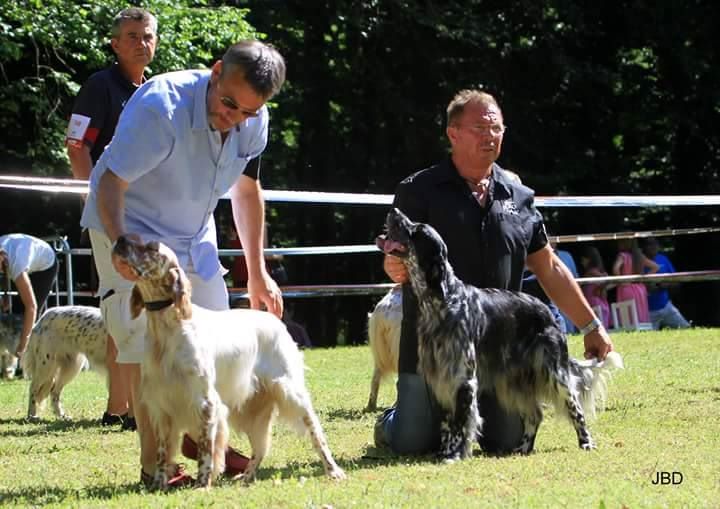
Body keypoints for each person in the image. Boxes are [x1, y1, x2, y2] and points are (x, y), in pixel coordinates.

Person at [79, 40, 286, 488]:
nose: (235, 118)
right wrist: (120, 244)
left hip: (194, 230)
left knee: (209, 338)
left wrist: (257, 270)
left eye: (248, 112)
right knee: (143, 342)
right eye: (229, 103)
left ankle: (204, 441)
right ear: (215, 72)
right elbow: (111, 181)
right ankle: (158, 466)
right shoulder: (161, 106)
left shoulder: (255, 119)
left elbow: (246, 192)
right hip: (129, 224)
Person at [375, 89, 613, 455]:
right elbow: (395, 252)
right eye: (480, 128)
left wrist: (590, 325)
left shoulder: (518, 195)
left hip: (501, 352)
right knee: (412, 442)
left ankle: (460, 415)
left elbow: (548, 266)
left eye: (497, 128)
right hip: (431, 350)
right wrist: (393, 264)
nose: (490, 136)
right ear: (452, 133)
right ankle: (399, 417)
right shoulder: (418, 190)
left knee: (503, 443)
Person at [66, 6, 159, 432]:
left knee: (121, 302)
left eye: (148, 35)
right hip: (110, 212)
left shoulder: (154, 91)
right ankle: (131, 408)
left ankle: (118, 407)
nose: (142, 42)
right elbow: (76, 144)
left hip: (144, 211)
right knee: (125, 302)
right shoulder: (99, 86)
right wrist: (94, 200)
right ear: (115, 43)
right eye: (133, 35)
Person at [0, 234, 58, 360]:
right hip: (23, 256)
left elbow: (31, 307)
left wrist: (22, 346)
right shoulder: (4, 257)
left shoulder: (17, 263)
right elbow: (4, 272)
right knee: (17, 314)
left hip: (46, 265)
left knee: (31, 317)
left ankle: (29, 357)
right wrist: (3, 298)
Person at [641, 237, 690, 329]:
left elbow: (677, 281)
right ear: (643, 247)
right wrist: (647, 287)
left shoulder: (663, 259)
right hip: (648, 311)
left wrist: (665, 285)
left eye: (655, 244)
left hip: (666, 306)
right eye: (649, 244)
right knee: (648, 338)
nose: (653, 247)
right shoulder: (639, 262)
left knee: (686, 328)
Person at [612, 238, 658, 323]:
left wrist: (620, 280)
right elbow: (655, 267)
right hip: (640, 288)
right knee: (640, 312)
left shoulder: (623, 255)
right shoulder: (639, 256)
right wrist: (643, 278)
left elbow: (616, 268)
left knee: (628, 315)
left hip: (626, 287)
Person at [578, 245, 613, 329]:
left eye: (583, 259)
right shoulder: (598, 270)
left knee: (595, 325)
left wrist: (599, 288)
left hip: (594, 302)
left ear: (589, 259)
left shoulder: (591, 272)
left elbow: (606, 280)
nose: (582, 262)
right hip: (599, 302)